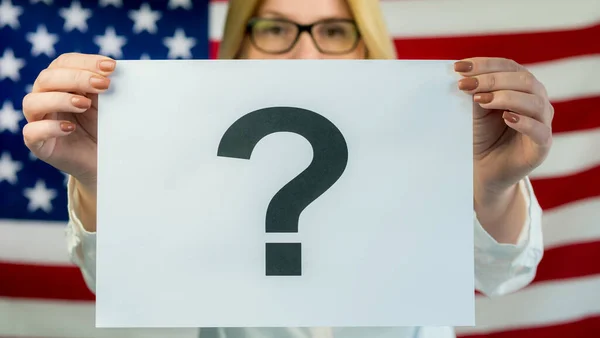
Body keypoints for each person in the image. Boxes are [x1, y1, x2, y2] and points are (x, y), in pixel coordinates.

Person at [21, 0, 551, 337]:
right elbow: (115, 279)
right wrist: (100, 179)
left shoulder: (427, 141)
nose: (306, 56)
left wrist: (493, 185)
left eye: (334, 32)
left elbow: (504, 274)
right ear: (239, 48)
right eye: (275, 29)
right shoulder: (189, 149)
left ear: (368, 50)